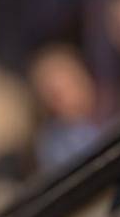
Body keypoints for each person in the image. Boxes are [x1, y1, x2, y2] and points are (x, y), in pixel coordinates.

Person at [29, 43, 102, 172]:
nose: (66, 98)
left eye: (70, 84)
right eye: (55, 95)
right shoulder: (53, 143)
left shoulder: (116, 104)